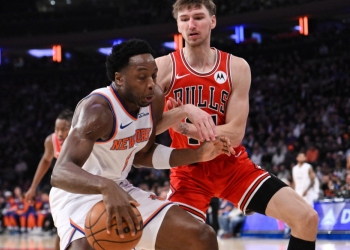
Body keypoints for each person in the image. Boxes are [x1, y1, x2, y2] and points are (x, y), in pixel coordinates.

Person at [154, 1, 318, 249]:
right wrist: (182, 112)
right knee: (189, 242)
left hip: (232, 167)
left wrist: (186, 127)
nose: (191, 24)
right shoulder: (162, 68)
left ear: (213, 21)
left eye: (198, 17)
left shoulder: (236, 67)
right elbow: (147, 129)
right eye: (185, 19)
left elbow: (235, 133)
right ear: (178, 24)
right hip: (188, 172)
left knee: (307, 218)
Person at [50, 39, 234, 250]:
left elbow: (142, 155)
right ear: (119, 79)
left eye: (153, 75)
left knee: (201, 237)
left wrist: (198, 154)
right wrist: (105, 185)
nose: (151, 83)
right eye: (141, 76)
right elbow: (60, 173)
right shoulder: (97, 110)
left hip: (118, 186)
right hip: (77, 193)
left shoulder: (154, 99)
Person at [24, 109, 72, 247]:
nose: (60, 133)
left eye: (64, 129)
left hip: (87, 185)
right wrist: (33, 187)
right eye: (57, 129)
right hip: (66, 187)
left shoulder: (82, 139)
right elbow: (46, 161)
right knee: (62, 229)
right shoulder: (51, 141)